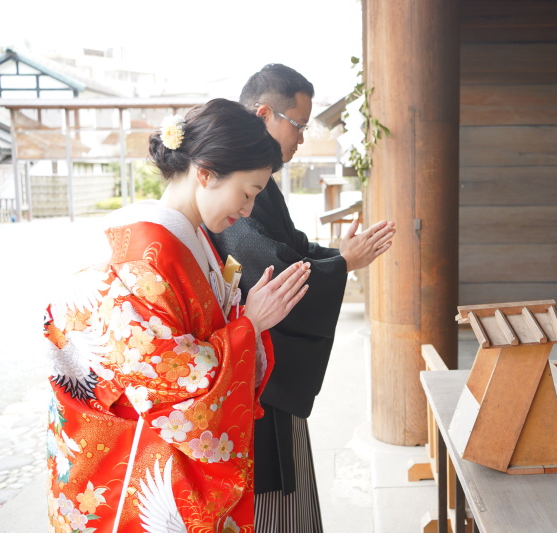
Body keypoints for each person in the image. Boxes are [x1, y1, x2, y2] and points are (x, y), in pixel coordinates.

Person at [43, 98, 311, 532]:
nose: (246, 211)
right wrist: (250, 326)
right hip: (131, 451)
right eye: (247, 194)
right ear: (204, 172)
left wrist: (243, 319)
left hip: (153, 440)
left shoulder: (188, 241)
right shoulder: (143, 253)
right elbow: (168, 375)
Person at [209, 64, 396, 531]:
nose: (302, 139)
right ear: (264, 113)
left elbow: (291, 244)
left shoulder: (261, 182)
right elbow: (265, 263)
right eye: (299, 125)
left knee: (290, 490)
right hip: (254, 370)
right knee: (273, 501)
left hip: (266, 361)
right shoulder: (233, 180)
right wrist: (342, 266)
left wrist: (338, 256)